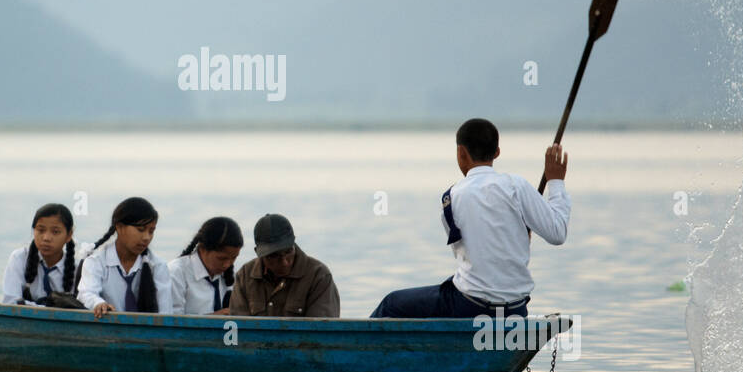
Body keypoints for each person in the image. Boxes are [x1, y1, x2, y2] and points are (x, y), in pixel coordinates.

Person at [369, 118, 569, 319]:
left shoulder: (450, 199)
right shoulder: (517, 186)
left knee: (391, 303)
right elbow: (557, 233)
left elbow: (467, 251)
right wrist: (556, 182)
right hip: (515, 308)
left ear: (461, 153)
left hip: (470, 305)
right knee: (453, 286)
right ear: (497, 152)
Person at [75, 197, 174, 318]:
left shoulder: (157, 266)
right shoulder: (96, 261)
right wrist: (99, 304)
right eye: (140, 229)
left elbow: (165, 312)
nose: (146, 237)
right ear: (120, 227)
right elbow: (86, 293)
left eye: (151, 231)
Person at [228, 214, 340, 317]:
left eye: (288, 252)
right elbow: (239, 329)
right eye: (274, 256)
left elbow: (321, 332)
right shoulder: (244, 276)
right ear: (258, 253)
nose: (284, 262)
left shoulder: (319, 276)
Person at [1, 203, 80, 306]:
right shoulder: (19, 258)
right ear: (34, 230)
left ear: (69, 235)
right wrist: (51, 308)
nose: (46, 238)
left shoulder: (78, 270)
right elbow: (11, 302)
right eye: (41, 230)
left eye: (55, 232)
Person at [169, 216, 243, 315]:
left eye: (234, 258)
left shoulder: (226, 277)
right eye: (221, 258)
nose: (227, 265)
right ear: (203, 249)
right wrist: (215, 318)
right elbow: (171, 322)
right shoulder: (176, 272)